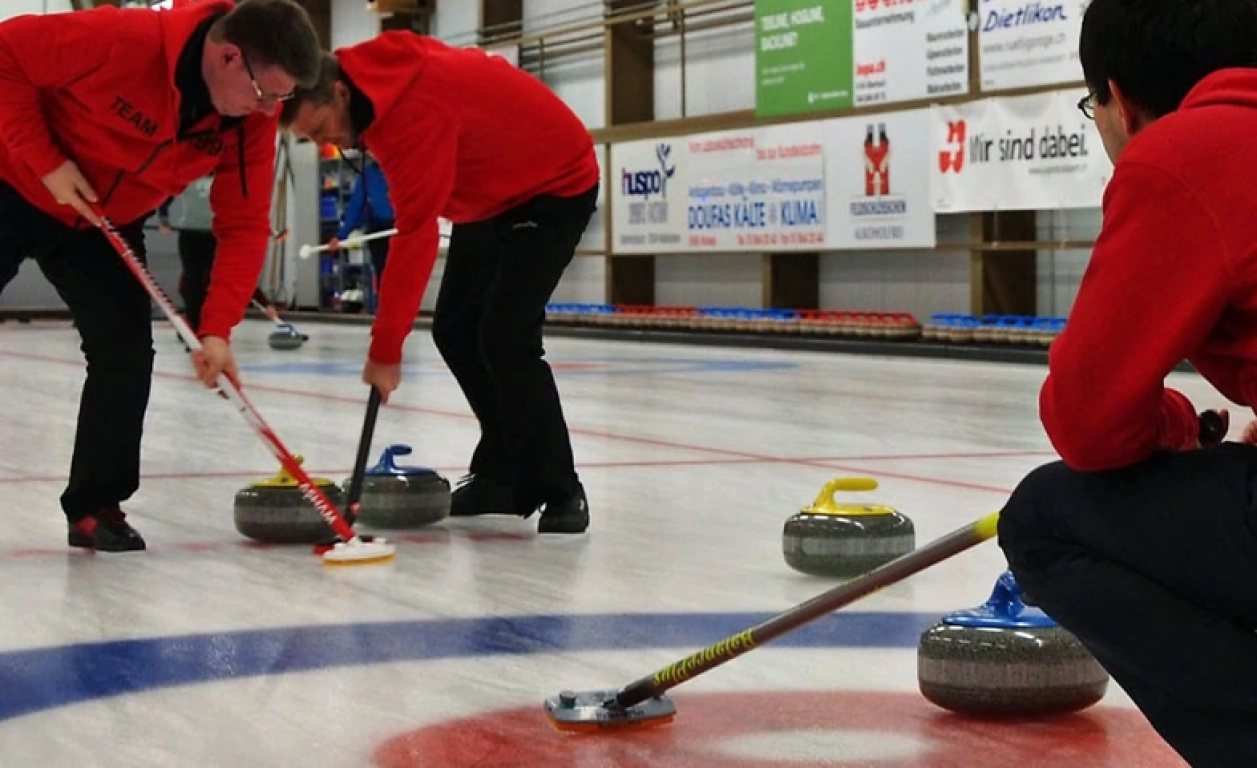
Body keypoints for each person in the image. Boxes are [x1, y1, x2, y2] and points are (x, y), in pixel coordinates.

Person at [995, 0, 1257, 763]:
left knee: (1043, 518)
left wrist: (1172, 425)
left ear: (1117, 96)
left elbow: (1088, 421)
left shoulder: (1182, 151)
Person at [0, 0, 322, 552]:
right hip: (15, 182)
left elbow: (244, 224)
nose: (270, 110)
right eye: (265, 93)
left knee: (124, 352)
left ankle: (95, 504)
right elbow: (5, 57)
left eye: (281, 99)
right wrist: (45, 161)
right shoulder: (121, 39)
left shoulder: (250, 121)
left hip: (101, 220)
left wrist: (216, 329)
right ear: (229, 57)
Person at [280, 35, 600, 535]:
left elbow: (415, 235)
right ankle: (501, 475)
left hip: (554, 182)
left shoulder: (409, 112)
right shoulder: (371, 96)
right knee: (455, 328)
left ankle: (559, 487)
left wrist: (385, 350)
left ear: (340, 92)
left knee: (506, 335)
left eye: (323, 129)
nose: (333, 142)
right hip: (489, 193)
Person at [157, 176, 282, 334]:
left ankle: (263, 305)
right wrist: (164, 220)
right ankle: (194, 327)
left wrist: (271, 231)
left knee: (227, 276)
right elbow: (165, 197)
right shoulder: (188, 176)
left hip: (217, 234)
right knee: (193, 282)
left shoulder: (227, 179)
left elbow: (247, 210)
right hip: (190, 234)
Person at [326, 154, 395, 304]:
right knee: (382, 275)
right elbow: (356, 206)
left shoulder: (402, 167)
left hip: (402, 228)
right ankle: (384, 309)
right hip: (378, 229)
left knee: (402, 275)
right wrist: (340, 236)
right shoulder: (367, 173)